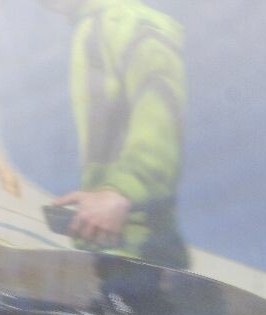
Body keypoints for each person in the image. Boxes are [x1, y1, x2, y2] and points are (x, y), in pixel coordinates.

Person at [41, 0, 189, 269]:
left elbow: (160, 101)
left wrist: (120, 193)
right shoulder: (90, 27)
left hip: (140, 251)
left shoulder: (126, 19)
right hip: (109, 246)